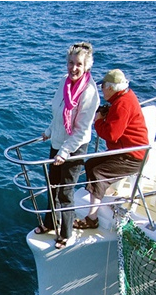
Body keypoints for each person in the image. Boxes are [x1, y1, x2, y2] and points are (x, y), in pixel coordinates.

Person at [34, 42, 100, 249]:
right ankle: (50, 223)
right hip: (58, 143)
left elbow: (80, 130)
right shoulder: (64, 82)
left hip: (74, 148)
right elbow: (58, 114)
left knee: (66, 192)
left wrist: (64, 152)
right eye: (71, 63)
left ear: (87, 66)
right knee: (52, 186)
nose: (73, 68)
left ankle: (66, 233)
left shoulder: (89, 92)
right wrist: (49, 131)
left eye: (79, 64)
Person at [73, 69, 149, 229]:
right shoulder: (124, 97)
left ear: (111, 88)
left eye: (103, 87)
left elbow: (112, 135)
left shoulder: (122, 105)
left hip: (132, 158)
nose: (102, 90)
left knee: (98, 171)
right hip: (132, 151)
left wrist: (99, 121)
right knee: (91, 164)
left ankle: (92, 218)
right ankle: (101, 193)